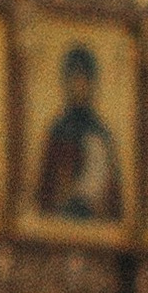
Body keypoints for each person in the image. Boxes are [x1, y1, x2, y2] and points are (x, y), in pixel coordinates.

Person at [32, 40, 125, 222]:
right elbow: (44, 193)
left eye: (83, 79)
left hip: (94, 225)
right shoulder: (58, 130)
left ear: (92, 83)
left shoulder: (100, 133)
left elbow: (112, 197)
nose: (78, 86)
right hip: (58, 224)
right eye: (73, 79)